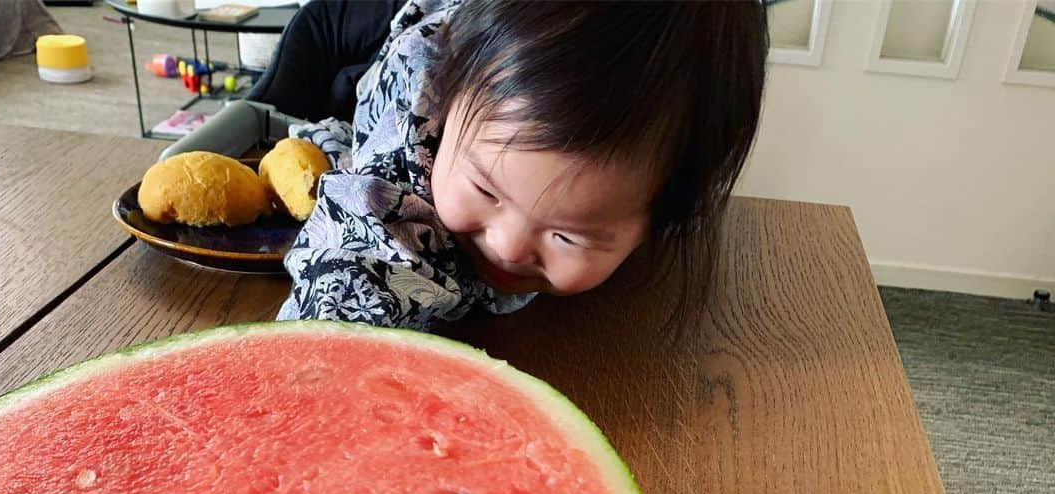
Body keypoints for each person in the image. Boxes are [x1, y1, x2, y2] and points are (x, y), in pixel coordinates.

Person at [273, 0, 768, 330]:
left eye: (569, 235)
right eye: (486, 191)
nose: (508, 246)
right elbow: (360, 259)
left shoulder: (671, 178)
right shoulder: (416, 113)